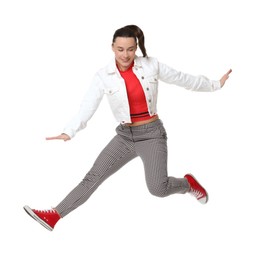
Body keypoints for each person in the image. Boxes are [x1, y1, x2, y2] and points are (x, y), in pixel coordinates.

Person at [24, 25, 232, 231]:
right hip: (124, 137)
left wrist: (215, 84)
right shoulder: (103, 76)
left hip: (152, 135)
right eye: (120, 49)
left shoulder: (151, 65)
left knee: (158, 189)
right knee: (92, 177)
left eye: (131, 49)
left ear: (136, 48)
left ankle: (188, 185)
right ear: (112, 47)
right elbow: (87, 106)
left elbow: (183, 79)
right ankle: (54, 215)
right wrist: (69, 131)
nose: (125, 55)